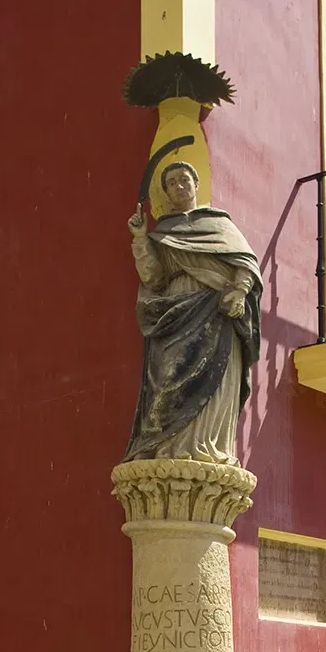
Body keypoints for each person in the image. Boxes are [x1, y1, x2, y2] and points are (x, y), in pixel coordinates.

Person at [124, 161, 261, 465]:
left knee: (214, 379)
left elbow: (245, 265)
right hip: (175, 314)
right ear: (167, 192)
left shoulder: (219, 225)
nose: (179, 186)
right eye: (171, 183)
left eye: (184, 179)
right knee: (169, 378)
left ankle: (206, 448)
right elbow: (155, 279)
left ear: (197, 184)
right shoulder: (164, 232)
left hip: (216, 312)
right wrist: (140, 239)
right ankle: (165, 445)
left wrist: (239, 292)